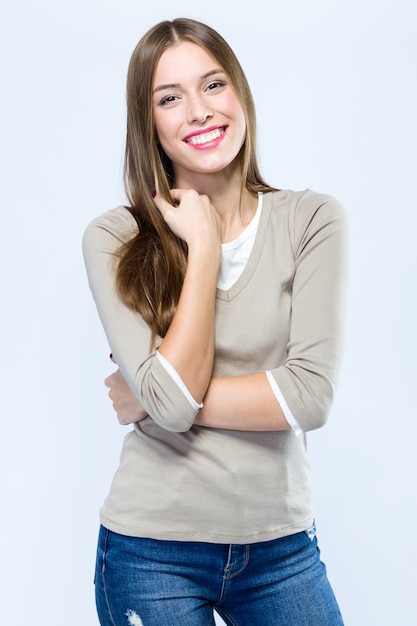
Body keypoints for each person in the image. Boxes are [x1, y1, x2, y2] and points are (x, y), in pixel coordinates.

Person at [82, 17, 348, 626]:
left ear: (241, 94)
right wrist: (202, 248)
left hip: (282, 549)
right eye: (170, 98)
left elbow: (310, 396)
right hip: (151, 552)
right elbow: (171, 406)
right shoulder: (114, 238)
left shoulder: (311, 221)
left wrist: (148, 396)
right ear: (148, 123)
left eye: (213, 84)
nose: (199, 111)